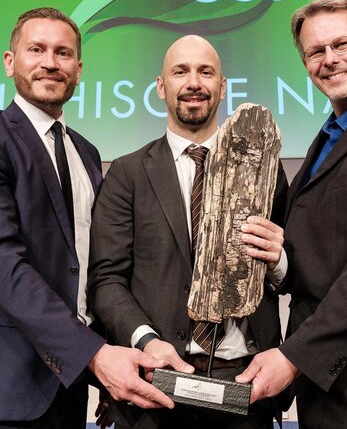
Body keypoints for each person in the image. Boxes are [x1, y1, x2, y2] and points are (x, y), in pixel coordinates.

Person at [88, 34, 289, 429]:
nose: (193, 82)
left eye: (206, 72)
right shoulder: (126, 174)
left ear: (223, 86)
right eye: (180, 71)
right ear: (161, 87)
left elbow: (290, 275)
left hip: (246, 385)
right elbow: (106, 280)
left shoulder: (266, 168)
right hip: (156, 384)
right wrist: (147, 341)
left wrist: (279, 259)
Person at [0, 7, 174, 429]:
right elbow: (6, 266)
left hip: (72, 385)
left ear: (78, 70)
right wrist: (95, 357)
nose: (49, 63)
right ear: (10, 62)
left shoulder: (87, 152)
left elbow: (94, 268)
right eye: (36, 49)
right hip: (12, 388)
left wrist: (111, 364)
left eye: (63, 54)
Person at [236, 0, 347, 428]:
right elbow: (318, 252)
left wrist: (295, 356)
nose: (330, 60)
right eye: (315, 52)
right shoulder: (327, 136)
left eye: (342, 44)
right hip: (327, 386)